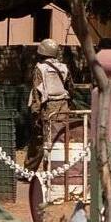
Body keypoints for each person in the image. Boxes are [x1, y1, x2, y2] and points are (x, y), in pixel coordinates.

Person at [25, 38, 74, 172]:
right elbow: (70, 87)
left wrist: (35, 113)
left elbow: (37, 92)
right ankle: (58, 169)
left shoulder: (40, 68)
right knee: (60, 137)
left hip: (47, 107)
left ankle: (30, 171)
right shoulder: (64, 67)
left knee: (41, 139)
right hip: (63, 106)